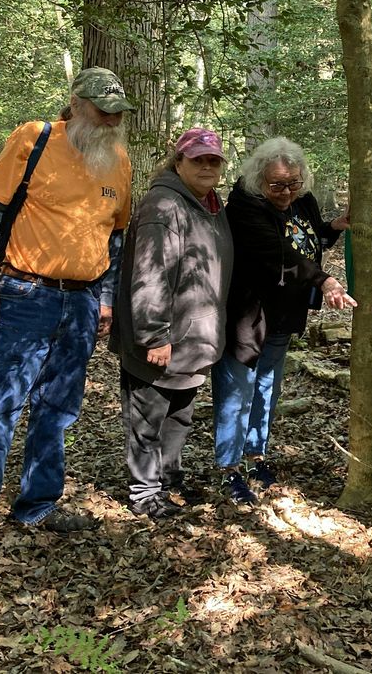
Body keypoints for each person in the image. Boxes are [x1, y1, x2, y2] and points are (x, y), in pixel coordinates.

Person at [0, 66, 133, 560]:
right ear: (77, 103)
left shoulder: (120, 160)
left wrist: (106, 296)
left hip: (83, 302)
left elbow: (115, 236)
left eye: (118, 114)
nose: (111, 120)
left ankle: (38, 504)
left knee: (59, 409)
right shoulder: (35, 138)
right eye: (102, 110)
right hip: (25, 295)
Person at [213, 137, 354, 506]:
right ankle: (229, 469)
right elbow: (279, 253)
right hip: (248, 315)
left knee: (267, 388)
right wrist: (324, 280)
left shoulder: (302, 200)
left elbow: (308, 241)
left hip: (285, 315)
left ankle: (256, 457)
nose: (286, 192)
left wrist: (333, 226)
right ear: (259, 180)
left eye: (293, 182)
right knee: (238, 391)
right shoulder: (243, 206)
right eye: (277, 184)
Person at [110, 128, 233, 519]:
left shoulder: (212, 206)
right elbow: (150, 274)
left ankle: (167, 481)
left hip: (195, 340)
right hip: (163, 340)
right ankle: (145, 493)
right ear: (178, 161)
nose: (207, 166)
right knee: (148, 419)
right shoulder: (164, 205)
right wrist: (154, 335)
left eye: (214, 160)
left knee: (178, 416)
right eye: (198, 159)